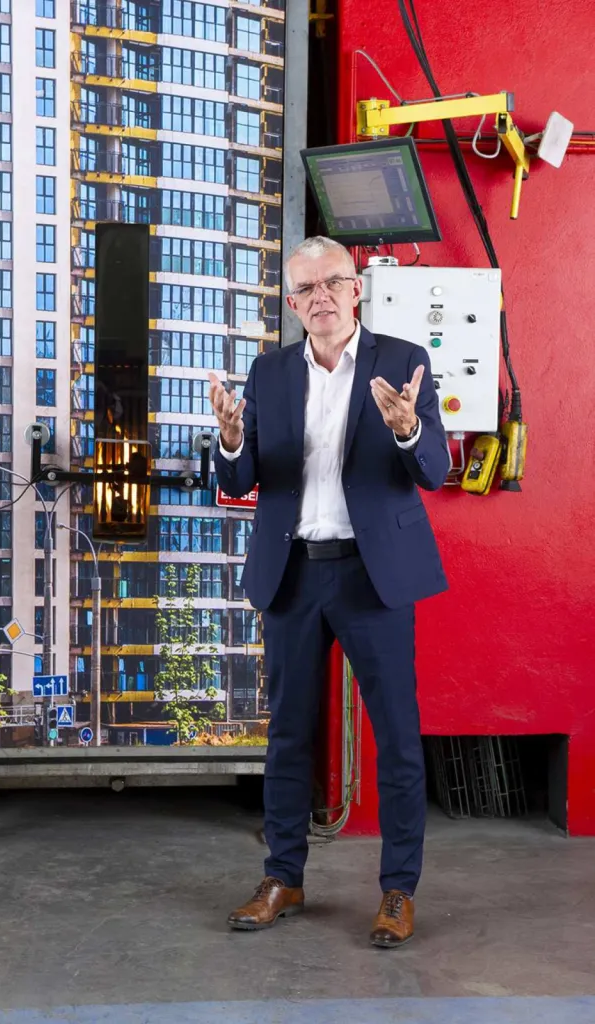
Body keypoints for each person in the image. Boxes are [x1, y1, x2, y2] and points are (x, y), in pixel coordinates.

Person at [208, 236, 449, 948]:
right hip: (292, 574)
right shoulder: (269, 372)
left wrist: (407, 429)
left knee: (397, 740)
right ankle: (283, 876)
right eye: (305, 289)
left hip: (372, 575)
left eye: (331, 284)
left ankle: (397, 892)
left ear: (355, 292)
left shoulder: (402, 362)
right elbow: (238, 481)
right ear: (291, 304)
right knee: (287, 735)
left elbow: (432, 469)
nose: (319, 298)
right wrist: (228, 441)